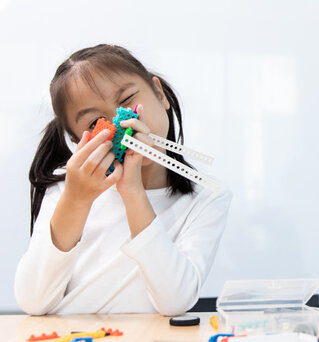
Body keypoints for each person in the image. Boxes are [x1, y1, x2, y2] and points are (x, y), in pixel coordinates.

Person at [15, 44, 232, 316]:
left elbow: (176, 301)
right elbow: (33, 302)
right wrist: (75, 200)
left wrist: (133, 193)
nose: (122, 124)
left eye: (127, 99)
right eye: (96, 122)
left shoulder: (207, 197)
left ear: (159, 93)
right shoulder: (65, 190)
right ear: (77, 141)